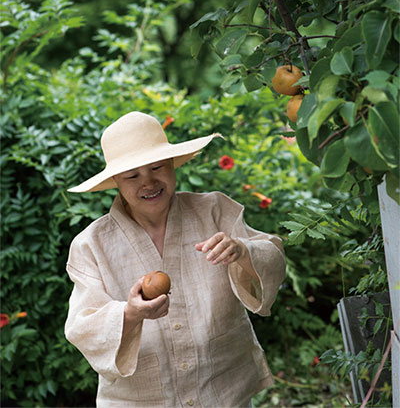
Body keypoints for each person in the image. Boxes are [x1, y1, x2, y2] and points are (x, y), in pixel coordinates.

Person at [65, 111, 286, 408]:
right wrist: (129, 313)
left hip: (224, 392)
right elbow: (81, 326)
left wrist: (243, 252)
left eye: (157, 167)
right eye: (132, 176)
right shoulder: (91, 245)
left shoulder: (215, 210)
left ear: (172, 165)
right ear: (115, 181)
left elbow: (273, 256)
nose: (148, 182)